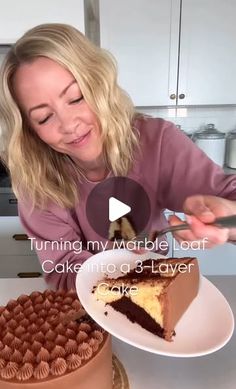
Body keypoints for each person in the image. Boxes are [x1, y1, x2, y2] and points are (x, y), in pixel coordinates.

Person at [0, 23, 235, 289]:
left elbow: (230, 200)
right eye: (44, 117)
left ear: (100, 84)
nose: (68, 124)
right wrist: (119, 279)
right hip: (88, 311)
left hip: (159, 297)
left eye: (76, 98)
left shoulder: (156, 142)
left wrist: (228, 217)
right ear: (30, 131)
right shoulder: (36, 182)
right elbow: (63, 269)